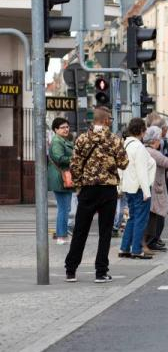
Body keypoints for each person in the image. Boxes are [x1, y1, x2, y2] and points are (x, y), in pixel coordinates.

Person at [65, 107, 129, 283]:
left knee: (80, 230)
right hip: (107, 189)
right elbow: (124, 163)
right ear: (107, 120)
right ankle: (101, 272)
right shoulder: (114, 140)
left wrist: (79, 186)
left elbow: (75, 165)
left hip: (87, 189)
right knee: (105, 231)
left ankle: (71, 270)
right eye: (111, 119)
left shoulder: (82, 139)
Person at [118, 118, 156, 259]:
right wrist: (147, 191)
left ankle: (124, 248)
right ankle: (136, 250)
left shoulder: (125, 145)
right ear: (141, 130)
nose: (145, 132)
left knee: (132, 218)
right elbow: (142, 171)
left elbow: (120, 168)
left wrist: (120, 186)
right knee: (140, 220)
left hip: (129, 187)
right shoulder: (139, 147)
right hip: (140, 188)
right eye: (144, 130)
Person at [48, 118, 74, 244]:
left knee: (65, 208)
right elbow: (59, 158)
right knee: (64, 208)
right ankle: (61, 236)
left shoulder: (63, 140)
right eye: (63, 127)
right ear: (56, 129)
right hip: (61, 178)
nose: (66, 129)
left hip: (63, 177)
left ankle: (61, 235)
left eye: (67, 127)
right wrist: (75, 158)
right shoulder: (57, 141)